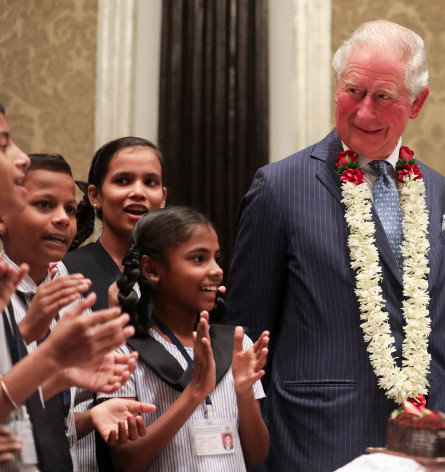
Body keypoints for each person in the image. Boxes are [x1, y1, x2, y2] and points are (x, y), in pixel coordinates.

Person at [227, 20, 445, 471]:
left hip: (437, 436)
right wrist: (262, 438)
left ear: (417, 102)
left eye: (383, 96)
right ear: (336, 87)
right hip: (319, 439)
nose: (364, 112)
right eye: (354, 91)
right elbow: (245, 331)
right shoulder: (281, 187)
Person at [0, 104, 140, 471]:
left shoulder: (70, 284)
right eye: (44, 205)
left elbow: (48, 420)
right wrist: (31, 334)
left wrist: (92, 415)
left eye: (68, 208)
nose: (62, 219)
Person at [105, 206, 268, 471]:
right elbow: (126, 461)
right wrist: (194, 392)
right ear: (151, 269)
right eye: (198, 259)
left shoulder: (237, 346)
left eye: (216, 258)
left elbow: (257, 453)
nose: (216, 270)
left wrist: (244, 393)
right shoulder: (122, 351)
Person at [64, 137, 167, 312]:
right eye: (123, 181)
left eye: (150, 182)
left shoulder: (179, 272)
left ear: (163, 198)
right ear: (95, 196)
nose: (138, 192)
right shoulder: (66, 272)